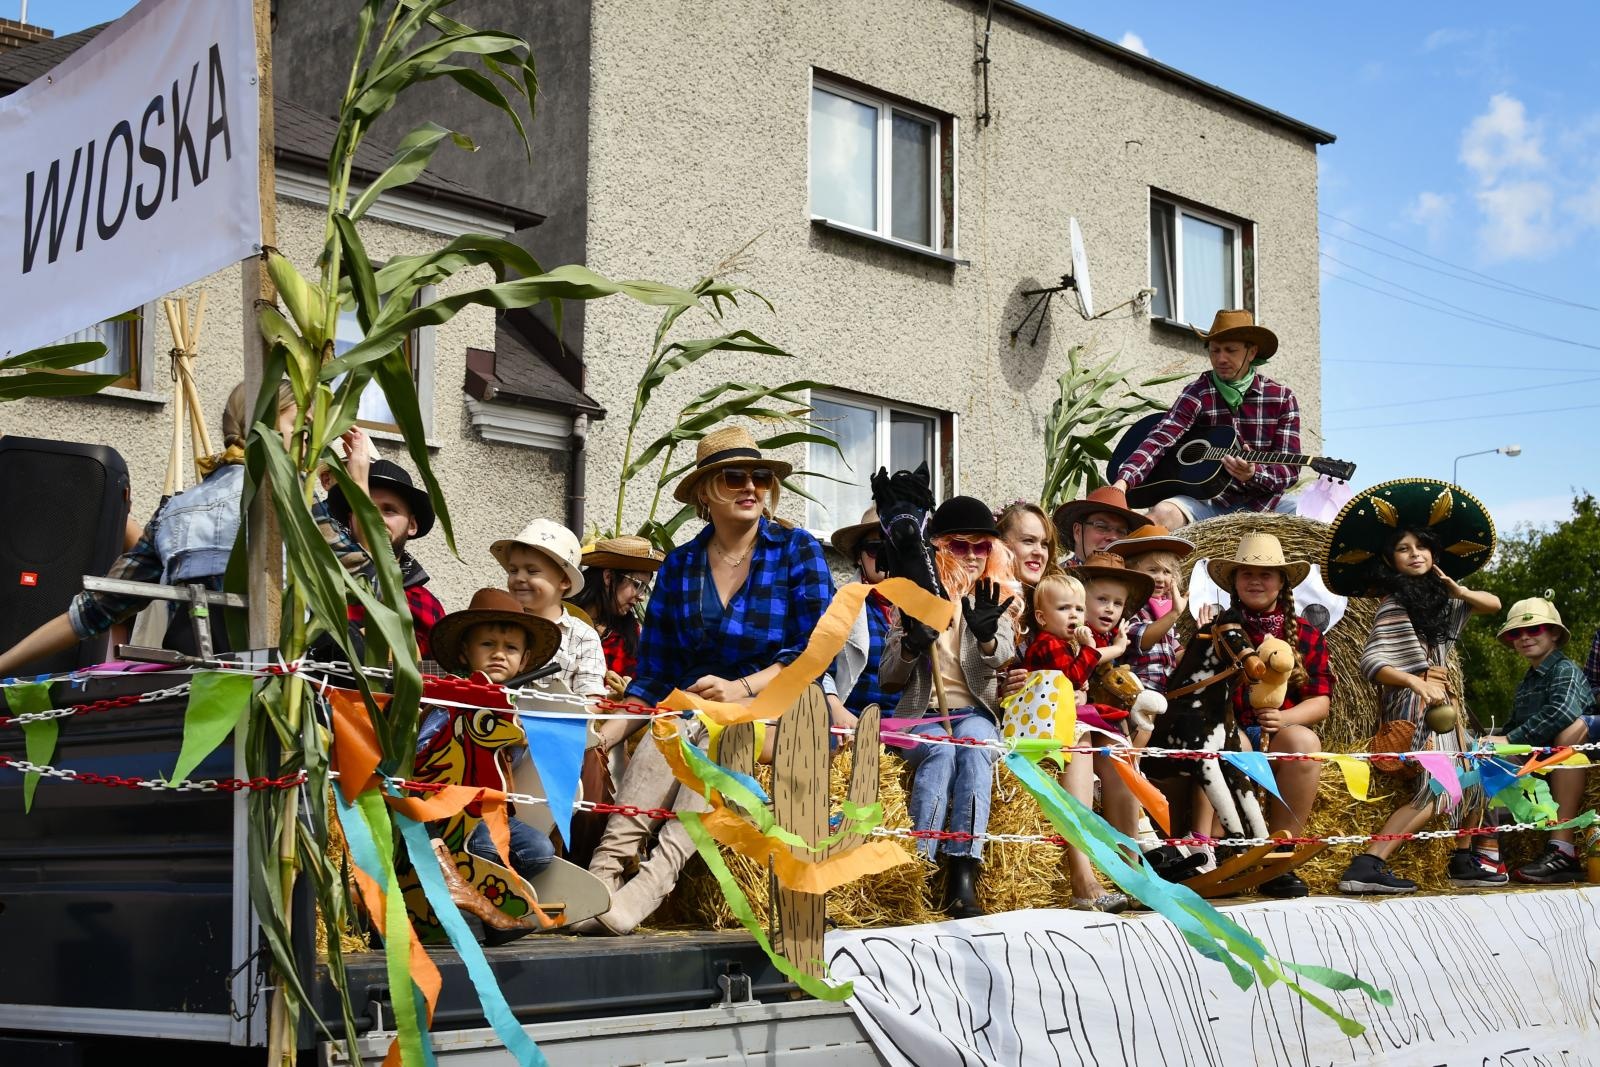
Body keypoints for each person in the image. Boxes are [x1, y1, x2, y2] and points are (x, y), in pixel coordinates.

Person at [578, 426, 843, 935]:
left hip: (783, 701)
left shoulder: (797, 550)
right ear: (705, 492)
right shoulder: (678, 566)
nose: (751, 486)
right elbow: (654, 673)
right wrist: (600, 737)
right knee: (671, 723)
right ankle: (603, 876)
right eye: (734, 477)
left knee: (714, 728)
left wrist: (740, 689)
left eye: (760, 477)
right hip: (699, 708)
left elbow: (815, 650)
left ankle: (653, 882)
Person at [0, 381, 296, 675]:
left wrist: (3, 665)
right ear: (268, 425)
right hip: (283, 693)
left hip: (193, 695)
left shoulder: (174, 513)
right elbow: (339, 583)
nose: (308, 437)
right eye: (300, 424)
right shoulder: (298, 510)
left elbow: (93, 611)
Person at [1322, 480, 1503, 895]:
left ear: (1434, 554)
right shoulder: (1394, 604)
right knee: (1442, 789)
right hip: (1415, 706)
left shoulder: (1442, 601)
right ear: (1392, 560)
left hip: (1443, 706)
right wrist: (1416, 682)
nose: (1414, 554)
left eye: (1421, 547)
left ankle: (1463, 858)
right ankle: (1368, 862)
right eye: (1404, 549)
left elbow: (1492, 604)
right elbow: (1372, 662)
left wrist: (1458, 589)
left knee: (1473, 777)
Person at [881, 496, 1019, 918]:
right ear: (938, 547)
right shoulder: (912, 601)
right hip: (922, 716)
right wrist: (910, 645)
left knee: (976, 749)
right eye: (961, 546)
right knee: (941, 751)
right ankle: (919, 868)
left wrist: (988, 635)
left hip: (974, 713)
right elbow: (888, 676)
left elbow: (1004, 655)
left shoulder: (995, 600)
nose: (974, 555)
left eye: (983, 547)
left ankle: (963, 871)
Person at [1196, 532, 1331, 898]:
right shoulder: (1217, 630)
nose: (1256, 581)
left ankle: (1279, 856)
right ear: (1235, 582)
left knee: (1305, 742)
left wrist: (1285, 720)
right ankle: (1221, 850)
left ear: (1282, 582)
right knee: (1227, 743)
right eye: (1247, 574)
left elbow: (1320, 700)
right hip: (1224, 727)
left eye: (1267, 574)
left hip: (1276, 731)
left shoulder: (1305, 634)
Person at [422, 587, 563, 891]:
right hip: (453, 814)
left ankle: (492, 894)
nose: (499, 654)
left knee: (538, 851)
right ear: (464, 651)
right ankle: (468, 899)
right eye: (488, 644)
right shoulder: (449, 699)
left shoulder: (518, 704)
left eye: (511, 648)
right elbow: (422, 754)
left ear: (524, 659)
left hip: (495, 811)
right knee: (484, 850)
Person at [1111, 310, 1301, 529]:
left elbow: (1290, 470)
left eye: (1230, 350)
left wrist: (1253, 473)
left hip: (1266, 505)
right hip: (1207, 503)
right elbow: (1161, 437)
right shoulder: (1198, 392)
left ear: (1252, 352)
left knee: (1315, 515)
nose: (1220, 359)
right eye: (1214, 350)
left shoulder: (1282, 398)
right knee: (1161, 514)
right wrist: (1123, 481)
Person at [1057, 552, 1154, 910]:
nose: (1110, 609)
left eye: (1118, 603)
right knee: (1080, 749)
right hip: (1063, 719)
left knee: (1119, 756)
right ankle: (1083, 878)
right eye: (1101, 599)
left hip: (1100, 720)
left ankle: (1133, 869)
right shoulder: (1060, 631)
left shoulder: (1117, 642)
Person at [1486, 595, 1600, 884]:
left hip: (1571, 751)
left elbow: (1561, 712)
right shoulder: (1528, 681)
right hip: (1538, 754)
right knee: (1480, 762)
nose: (1524, 637)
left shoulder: (1564, 669)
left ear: (1554, 633)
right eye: (1516, 633)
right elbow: (1515, 725)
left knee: (1566, 745)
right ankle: (1482, 852)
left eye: (1534, 630)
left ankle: (1563, 850)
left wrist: (1509, 739)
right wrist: (1485, 740)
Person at [325, 438, 445, 659]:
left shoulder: (426, 604)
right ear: (350, 519)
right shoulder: (324, 581)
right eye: (366, 507)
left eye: (389, 510)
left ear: (412, 525)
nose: (376, 518)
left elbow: (432, 675)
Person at [491, 519, 606, 699]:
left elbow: (592, 696)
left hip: (556, 724)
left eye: (532, 571)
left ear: (564, 581)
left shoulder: (582, 636)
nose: (519, 578)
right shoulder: (497, 624)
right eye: (513, 570)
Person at [569, 535, 665, 696]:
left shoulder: (631, 633)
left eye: (644, 589)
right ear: (608, 577)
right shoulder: (565, 618)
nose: (641, 596)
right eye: (637, 584)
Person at [1107, 525, 1194, 698]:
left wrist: (1202, 637)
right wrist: (1175, 613)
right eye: (1152, 570)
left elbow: (1177, 656)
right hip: (1138, 690)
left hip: (1166, 692)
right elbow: (1141, 640)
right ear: (1132, 573)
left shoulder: (1166, 614)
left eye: (1167, 572)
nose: (1160, 578)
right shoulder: (1129, 607)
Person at [829, 507, 900, 717]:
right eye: (876, 548)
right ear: (859, 557)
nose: (887, 557)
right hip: (852, 724)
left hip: (911, 727)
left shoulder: (923, 606)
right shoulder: (837, 604)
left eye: (896, 547)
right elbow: (818, 671)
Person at [1051, 486, 1144, 567]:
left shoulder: (1133, 586)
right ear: (1077, 531)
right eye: (1102, 527)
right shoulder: (1051, 582)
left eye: (1121, 531)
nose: (1113, 537)